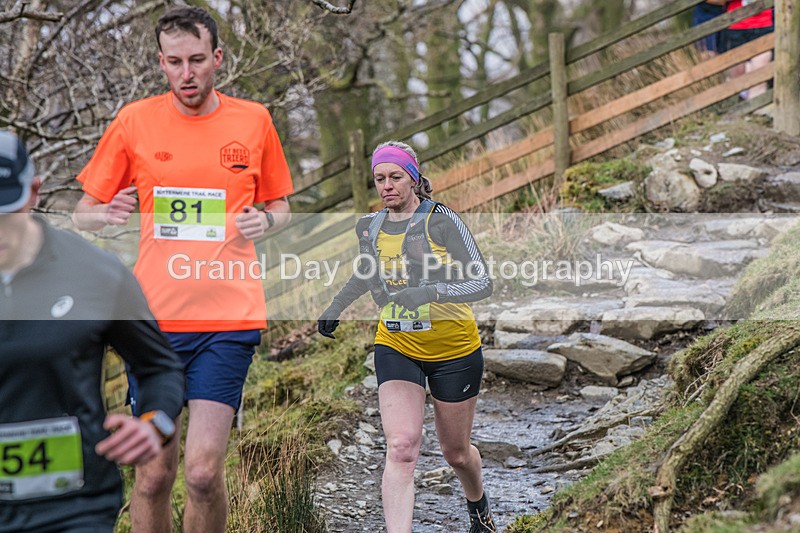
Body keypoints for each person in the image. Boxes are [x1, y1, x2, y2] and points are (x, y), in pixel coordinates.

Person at [71, 6, 294, 532]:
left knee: (201, 474)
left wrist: (266, 221)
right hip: (154, 324)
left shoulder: (253, 120)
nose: (187, 73)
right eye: (175, 62)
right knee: (153, 476)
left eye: (196, 60)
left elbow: (281, 206)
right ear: (161, 63)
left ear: (218, 58)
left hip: (228, 319)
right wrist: (107, 213)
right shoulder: (135, 121)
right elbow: (84, 213)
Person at [0, 129, 184, 532]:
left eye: (5, 214)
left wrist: (155, 424)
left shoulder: (95, 273)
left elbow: (159, 368)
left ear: (33, 193)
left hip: (76, 507)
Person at [317, 141, 496, 532]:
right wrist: (336, 305)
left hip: (453, 348)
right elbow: (367, 272)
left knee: (456, 453)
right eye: (379, 178)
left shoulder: (441, 220)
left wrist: (430, 292)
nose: (387, 186)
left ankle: (478, 508)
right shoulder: (370, 226)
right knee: (400, 447)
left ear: (413, 178)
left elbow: (482, 282)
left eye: (395, 177)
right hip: (396, 344)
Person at [708, 0, 774, 99]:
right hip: (735, 25)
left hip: (763, 24)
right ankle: (741, 100)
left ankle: (756, 104)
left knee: (759, 72)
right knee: (737, 73)